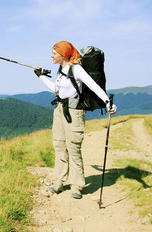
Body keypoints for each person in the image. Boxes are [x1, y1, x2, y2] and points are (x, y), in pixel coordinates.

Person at [34, 41, 116, 199]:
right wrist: (41, 76)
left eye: (54, 53)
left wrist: (108, 103)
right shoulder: (61, 69)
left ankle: (77, 185)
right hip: (59, 109)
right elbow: (56, 90)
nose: (51, 55)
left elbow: (94, 86)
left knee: (73, 147)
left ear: (63, 55)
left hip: (74, 112)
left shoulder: (76, 69)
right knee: (59, 144)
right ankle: (59, 179)